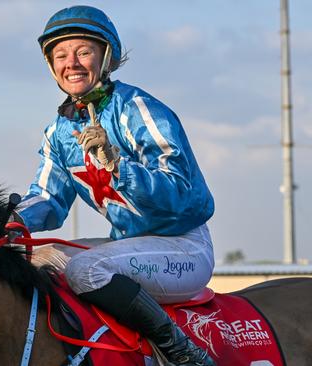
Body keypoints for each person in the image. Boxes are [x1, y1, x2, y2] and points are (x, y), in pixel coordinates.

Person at [12, 5, 216, 366]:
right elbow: (47, 199)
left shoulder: (139, 109)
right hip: (130, 247)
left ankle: (183, 352)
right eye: (60, 55)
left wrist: (120, 167)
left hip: (184, 248)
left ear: (106, 57)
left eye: (83, 52)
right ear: (51, 67)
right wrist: (11, 220)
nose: (71, 63)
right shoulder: (58, 133)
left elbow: (188, 196)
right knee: (39, 260)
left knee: (84, 269)